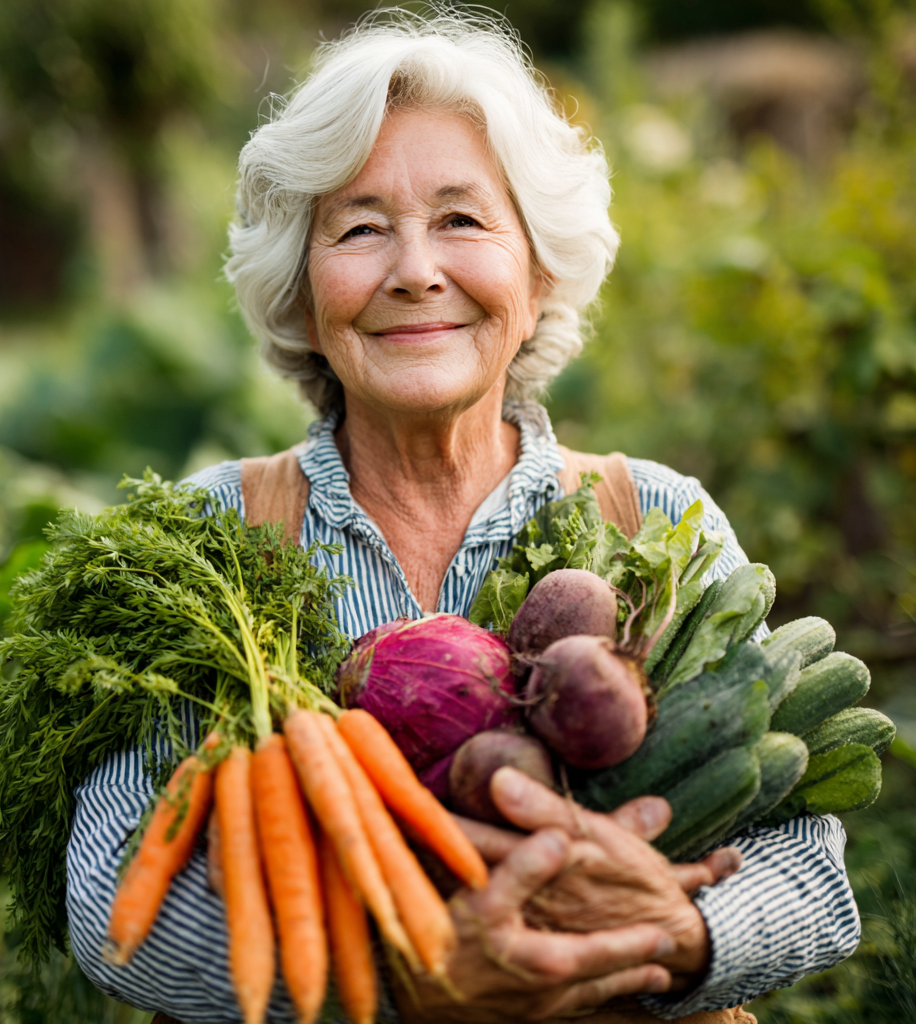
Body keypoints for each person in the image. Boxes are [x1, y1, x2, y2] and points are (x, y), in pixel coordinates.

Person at [67, 10, 861, 1023]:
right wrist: (407, 984)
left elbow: (810, 872)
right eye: (359, 228)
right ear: (303, 294)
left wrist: (677, 932)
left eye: (461, 219)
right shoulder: (206, 540)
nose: (414, 270)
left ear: (537, 275)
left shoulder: (653, 517)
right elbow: (107, 898)